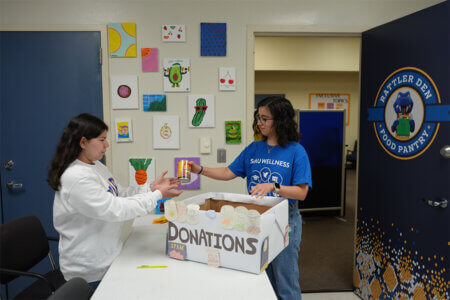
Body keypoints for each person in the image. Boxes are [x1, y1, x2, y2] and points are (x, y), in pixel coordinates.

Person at [190, 96, 311, 300]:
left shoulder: (296, 151)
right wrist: (200, 169)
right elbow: (228, 172)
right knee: (265, 280)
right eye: (258, 117)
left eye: (265, 118)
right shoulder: (254, 149)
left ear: (279, 121)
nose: (259, 122)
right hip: (258, 220)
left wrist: (274, 186)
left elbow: (302, 192)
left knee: (286, 283)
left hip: (285, 221)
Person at [47, 113, 183, 289]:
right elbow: (115, 209)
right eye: (102, 139)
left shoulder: (96, 166)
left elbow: (119, 194)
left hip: (108, 257)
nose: (107, 145)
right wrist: (157, 196)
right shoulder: (77, 177)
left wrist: (151, 188)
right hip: (89, 270)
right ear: (83, 142)